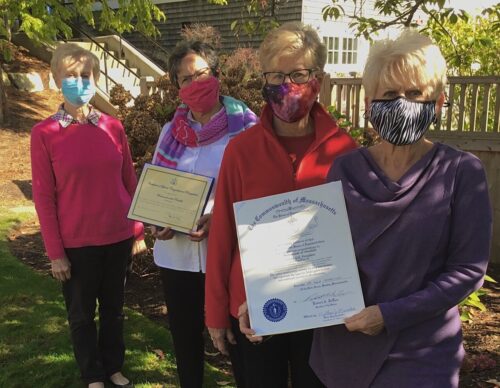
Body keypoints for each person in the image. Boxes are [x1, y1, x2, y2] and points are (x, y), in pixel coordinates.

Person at [309, 30, 493, 387]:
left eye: (414, 93)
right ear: (370, 104)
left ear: (437, 102)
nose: (402, 104)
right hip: (340, 351)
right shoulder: (345, 169)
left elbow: (468, 270)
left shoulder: (460, 173)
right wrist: (267, 297)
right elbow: (317, 253)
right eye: (390, 94)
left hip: (421, 357)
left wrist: (389, 315)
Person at [205, 22, 357, 388]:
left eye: (299, 73)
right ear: (264, 77)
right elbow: (223, 232)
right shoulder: (241, 150)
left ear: (318, 79)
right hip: (254, 310)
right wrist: (215, 311)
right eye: (276, 74)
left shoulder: (345, 152)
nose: (287, 84)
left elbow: (358, 233)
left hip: (323, 308)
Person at [30, 43, 144, 388]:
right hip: (77, 244)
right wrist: (55, 253)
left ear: (95, 79)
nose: (79, 81)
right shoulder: (45, 134)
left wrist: (137, 231)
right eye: (71, 76)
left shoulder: (113, 127)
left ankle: (113, 367)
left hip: (117, 237)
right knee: (81, 316)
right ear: (56, 79)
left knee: (114, 311)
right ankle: (92, 373)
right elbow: (43, 198)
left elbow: (130, 180)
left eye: (85, 75)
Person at [149, 40, 257, 388]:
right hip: (177, 258)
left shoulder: (247, 129)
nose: (195, 84)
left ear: (217, 75)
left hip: (226, 258)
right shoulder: (170, 133)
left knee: (237, 343)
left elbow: (257, 192)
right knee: (185, 341)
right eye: (185, 79)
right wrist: (158, 221)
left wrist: (219, 220)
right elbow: (158, 189)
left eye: (201, 74)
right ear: (176, 87)